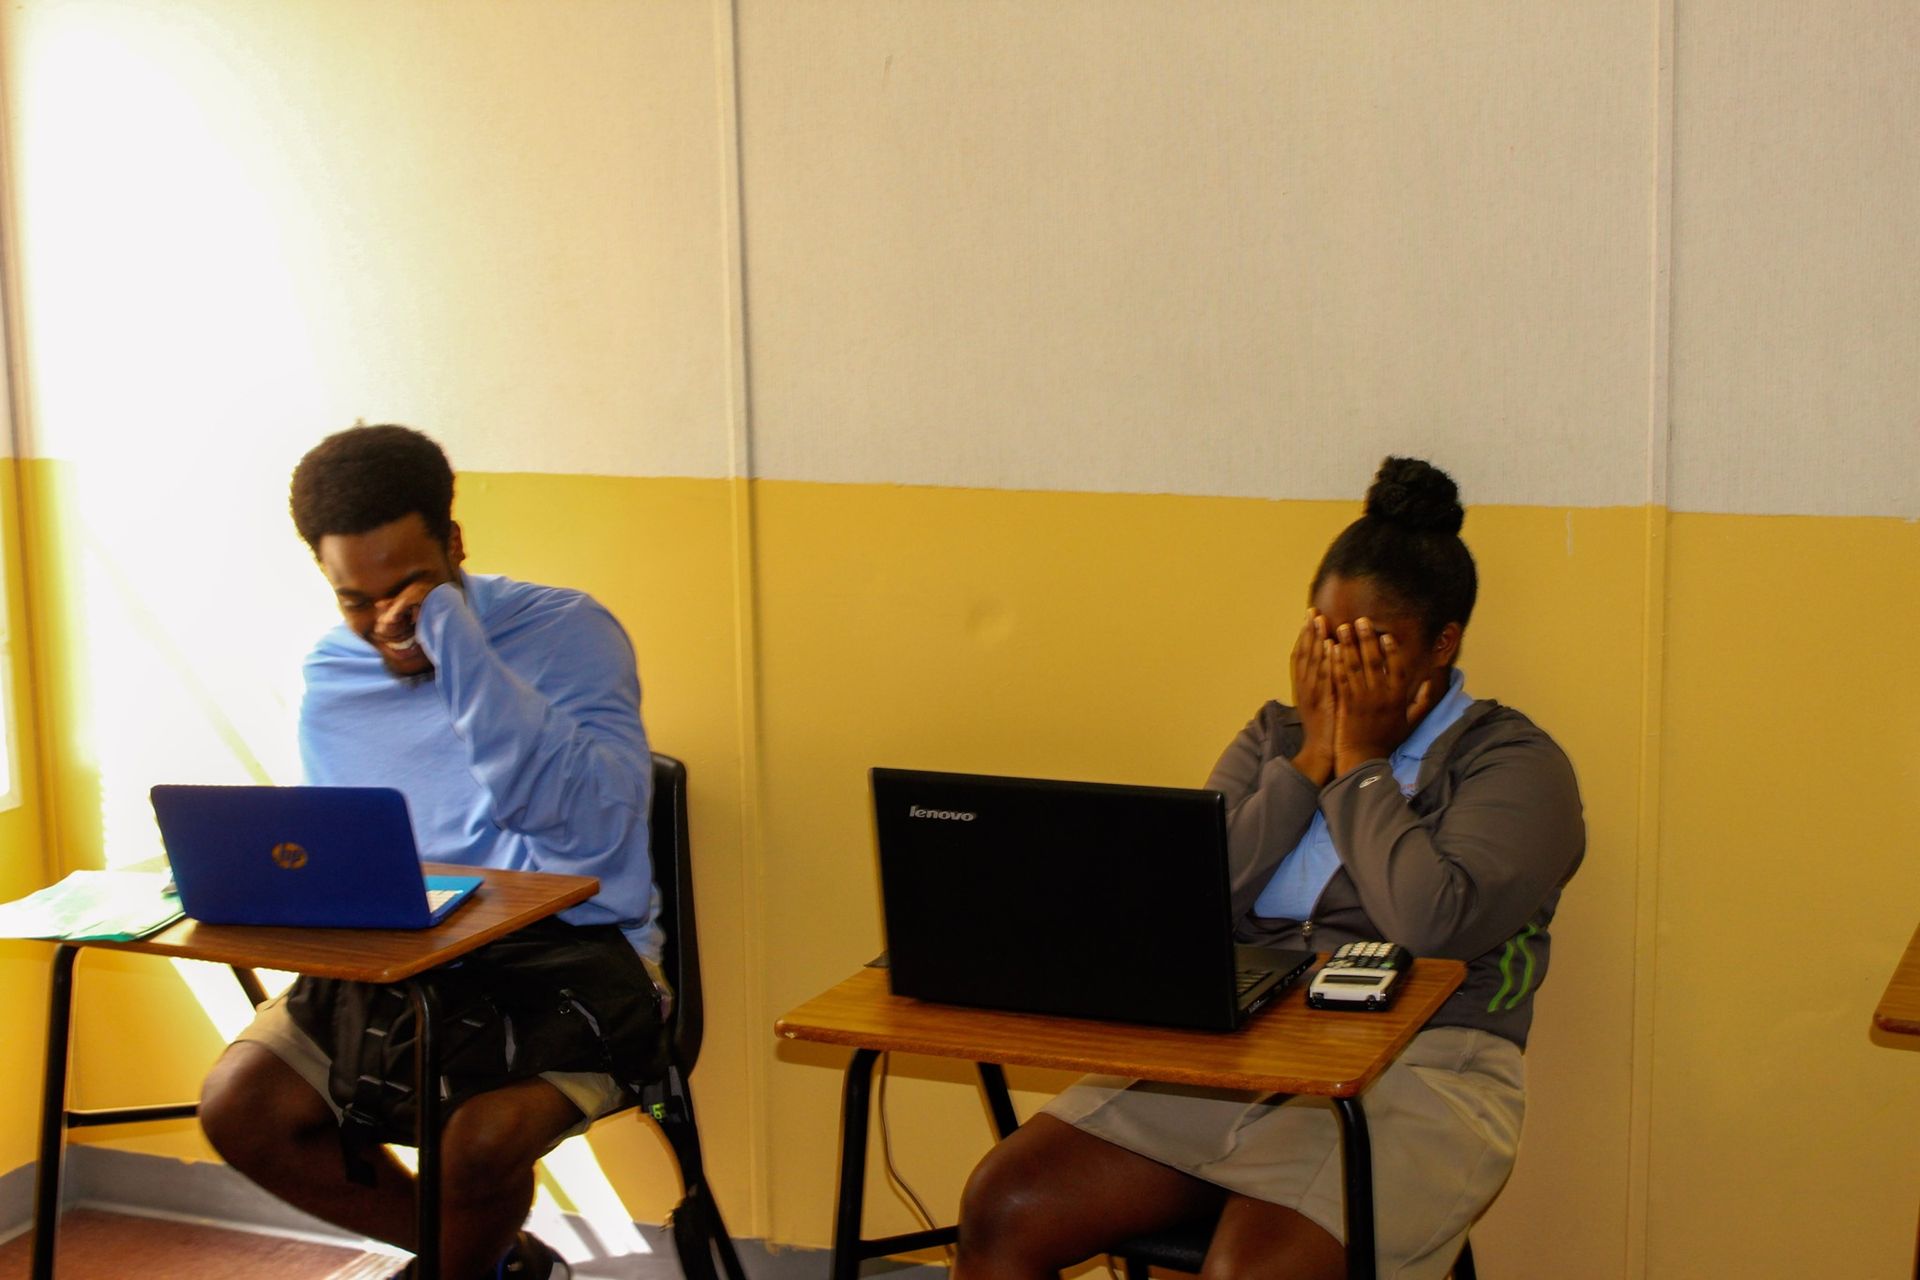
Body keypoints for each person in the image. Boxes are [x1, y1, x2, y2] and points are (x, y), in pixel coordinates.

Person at [952, 457, 1585, 1280]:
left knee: (1251, 1272)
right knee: (1004, 1203)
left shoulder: (1515, 764)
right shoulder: (1274, 738)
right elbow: (1178, 903)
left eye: (1371, 646)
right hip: (1238, 1052)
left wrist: (1361, 766)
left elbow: (1432, 924)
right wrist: (1308, 761)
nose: (1341, 667)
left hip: (1424, 1070)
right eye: (1325, 637)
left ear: (1444, 644)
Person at [198, 424, 669, 1280]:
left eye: (409, 588)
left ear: (454, 543)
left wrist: (458, 644)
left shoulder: (567, 631)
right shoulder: (334, 673)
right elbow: (353, 855)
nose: (386, 623)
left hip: (576, 957)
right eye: (355, 601)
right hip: (409, 962)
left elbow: (590, 839)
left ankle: (458, 1266)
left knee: (477, 1141)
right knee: (239, 1107)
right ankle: (491, 1261)